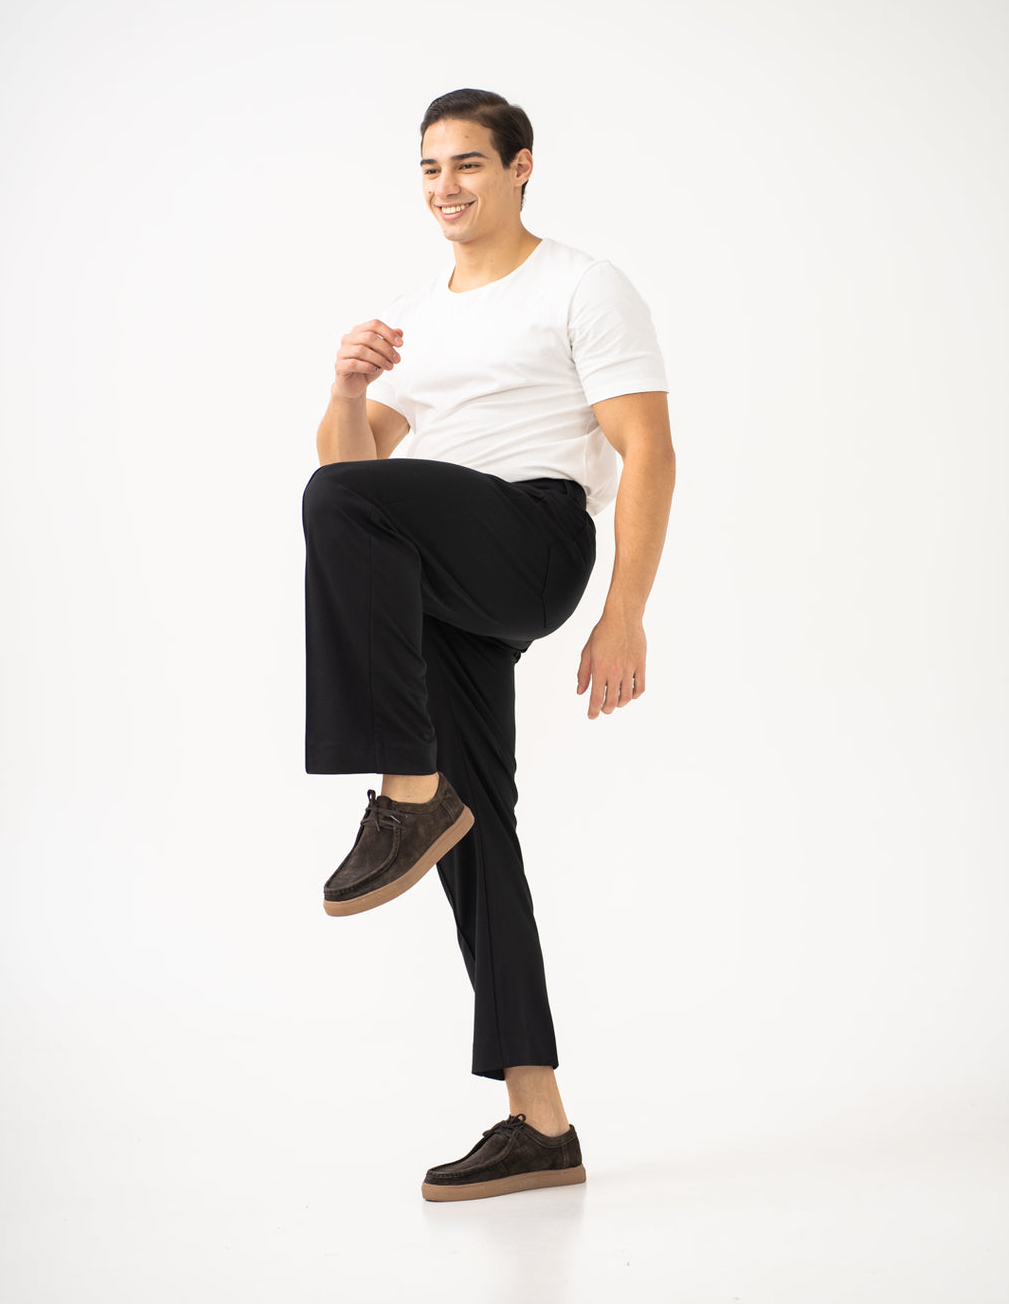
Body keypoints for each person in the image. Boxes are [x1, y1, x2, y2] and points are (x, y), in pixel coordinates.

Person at [302, 89, 675, 1201]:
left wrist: (624, 609)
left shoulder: (581, 286)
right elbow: (353, 470)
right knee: (479, 838)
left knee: (338, 507)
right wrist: (348, 388)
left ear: (520, 168)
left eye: (467, 163)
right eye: (429, 169)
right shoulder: (417, 313)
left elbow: (649, 450)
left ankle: (403, 789)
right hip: (435, 573)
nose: (446, 187)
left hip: (531, 534)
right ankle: (538, 1121)